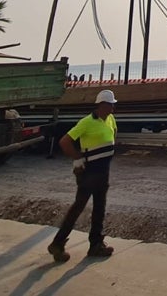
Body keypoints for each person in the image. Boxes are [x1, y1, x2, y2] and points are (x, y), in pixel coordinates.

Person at [47, 88, 118, 262]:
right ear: (101, 105)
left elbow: (113, 134)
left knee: (99, 208)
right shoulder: (87, 122)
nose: (113, 108)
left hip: (103, 172)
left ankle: (96, 244)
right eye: (110, 105)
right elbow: (65, 141)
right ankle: (58, 243)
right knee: (78, 207)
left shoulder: (110, 119)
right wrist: (77, 158)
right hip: (89, 173)